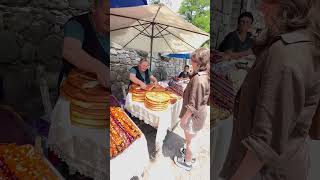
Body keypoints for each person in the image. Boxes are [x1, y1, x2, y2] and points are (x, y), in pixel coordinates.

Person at [220, 0, 320, 180]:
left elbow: (264, 144)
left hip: (266, 172)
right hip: (287, 162)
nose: (261, 8)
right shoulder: (305, 43)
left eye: (267, 2)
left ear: (289, 5)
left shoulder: (286, 52)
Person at [57, 0, 109, 90]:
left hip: (103, 93)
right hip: (74, 90)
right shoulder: (76, 24)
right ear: (93, 8)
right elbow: (70, 51)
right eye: (107, 14)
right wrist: (100, 68)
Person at [173, 48, 210, 171]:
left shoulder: (199, 79)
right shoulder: (203, 75)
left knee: (190, 142)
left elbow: (193, 105)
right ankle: (189, 154)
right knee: (191, 138)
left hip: (193, 118)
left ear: (198, 63)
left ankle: (187, 162)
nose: (190, 62)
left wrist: (184, 119)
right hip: (198, 116)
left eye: (192, 60)